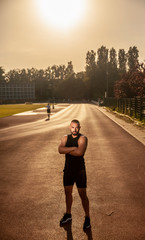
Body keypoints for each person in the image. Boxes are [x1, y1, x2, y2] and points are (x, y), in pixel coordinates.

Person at [58, 119, 91, 230]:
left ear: (79, 128)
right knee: (68, 192)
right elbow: (60, 149)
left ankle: (87, 217)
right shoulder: (65, 137)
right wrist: (73, 148)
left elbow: (80, 152)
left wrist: (67, 150)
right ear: (69, 127)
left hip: (80, 170)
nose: (74, 129)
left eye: (76, 127)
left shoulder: (83, 138)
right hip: (68, 170)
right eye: (72, 127)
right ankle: (68, 214)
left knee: (82, 195)